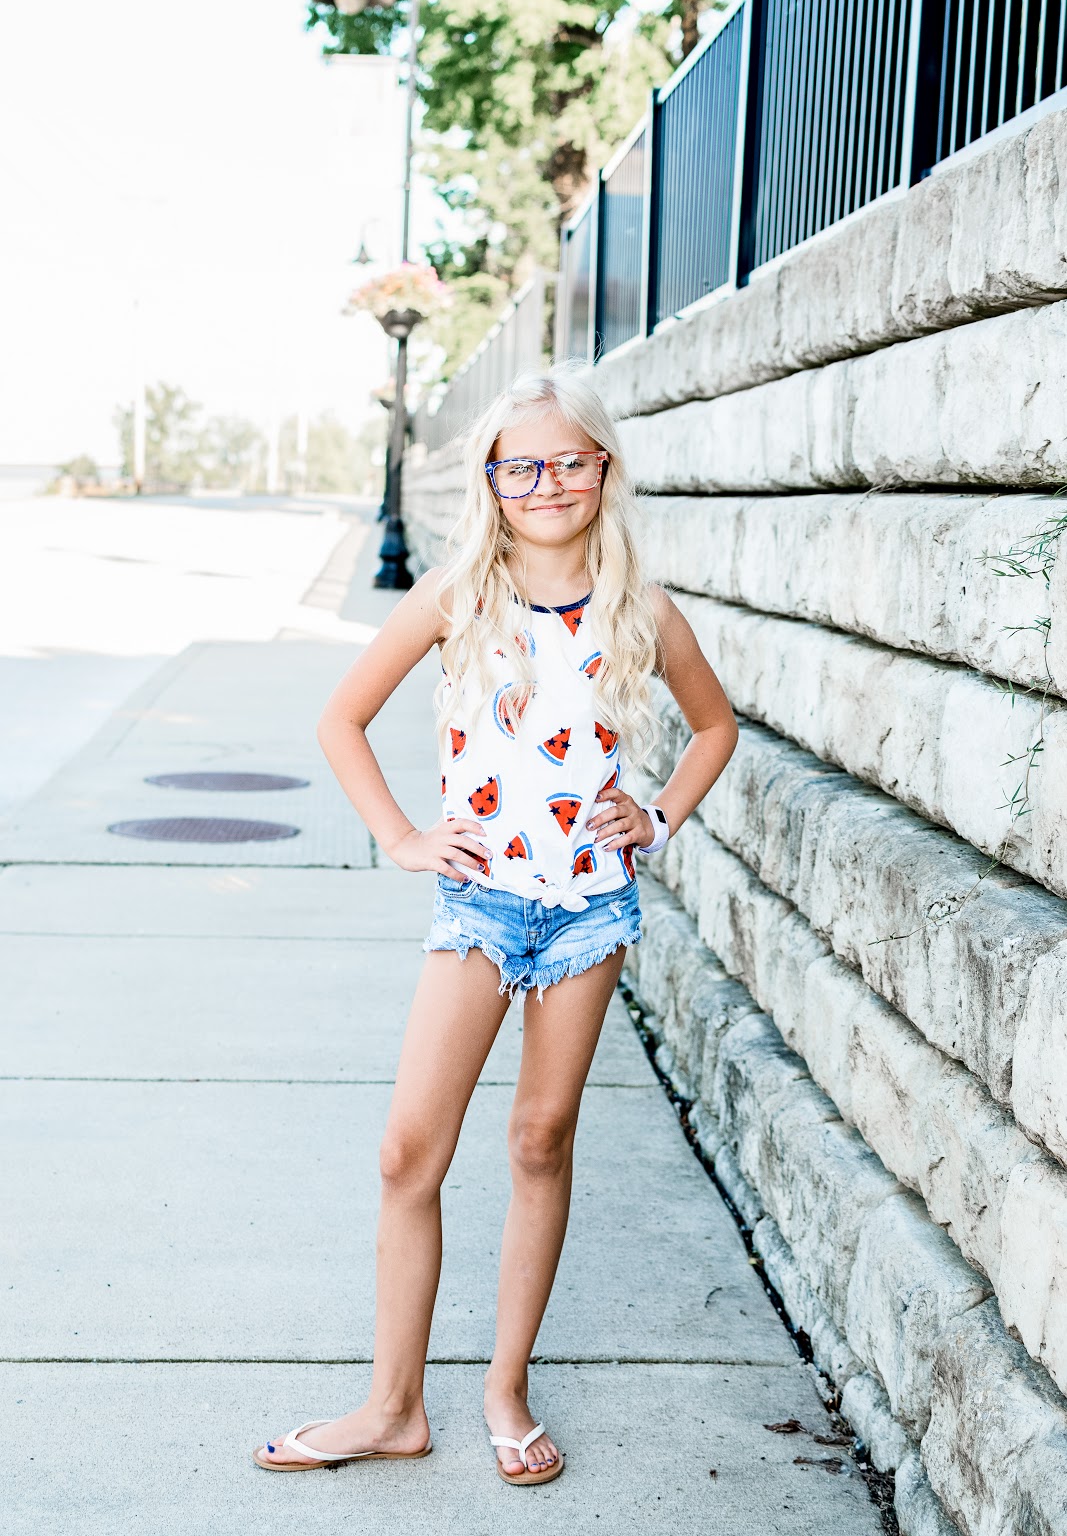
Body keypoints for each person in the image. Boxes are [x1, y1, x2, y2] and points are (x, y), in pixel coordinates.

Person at [253, 363, 738, 1484]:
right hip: (477, 903)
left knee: (537, 1138)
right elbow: (342, 718)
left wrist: (655, 814)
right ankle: (390, 1406)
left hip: (584, 914)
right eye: (520, 464)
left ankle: (503, 1387)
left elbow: (713, 729)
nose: (545, 481)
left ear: (601, 468)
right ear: (489, 478)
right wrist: (403, 834)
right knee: (406, 1150)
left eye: (568, 459)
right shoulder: (456, 595)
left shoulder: (637, 609)